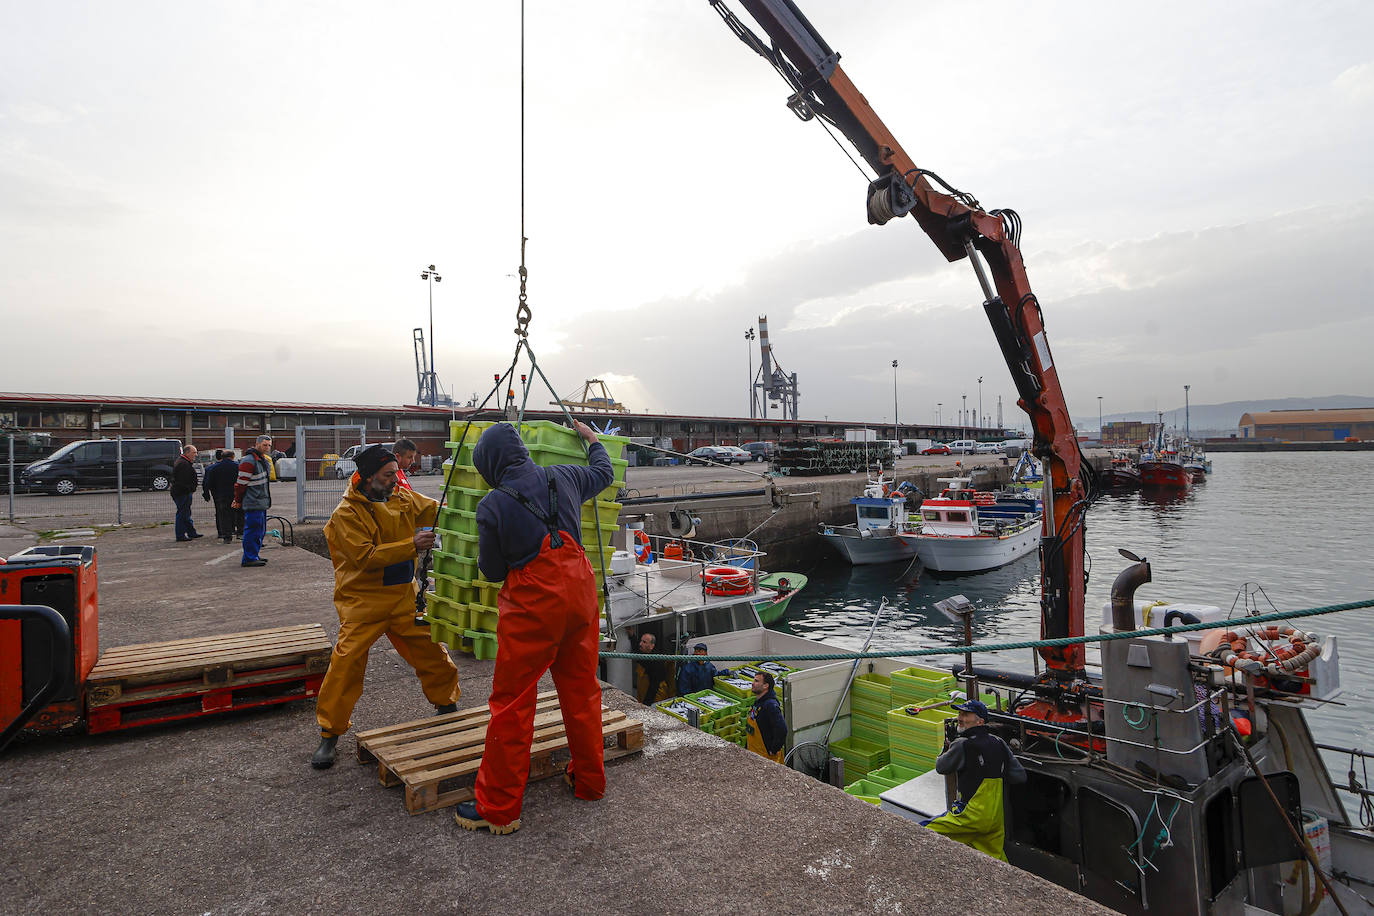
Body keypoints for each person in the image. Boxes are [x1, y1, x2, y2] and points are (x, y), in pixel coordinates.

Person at [454, 420, 613, 836]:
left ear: (490, 464)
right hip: (580, 594)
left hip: (533, 608)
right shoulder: (564, 474)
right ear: (521, 449)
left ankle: (499, 809)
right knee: (581, 692)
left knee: (513, 706)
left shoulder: (491, 505)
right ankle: (590, 782)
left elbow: (490, 571)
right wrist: (593, 441)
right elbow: (604, 473)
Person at [311, 444, 462, 769]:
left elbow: (438, 510)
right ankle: (329, 734)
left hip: (402, 599)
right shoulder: (345, 515)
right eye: (388, 474)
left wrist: (468, 505)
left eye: (396, 473)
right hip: (362, 603)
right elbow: (364, 557)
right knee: (345, 665)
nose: (396, 479)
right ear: (367, 477)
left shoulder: (402, 498)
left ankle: (447, 707)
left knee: (431, 651)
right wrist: (411, 545)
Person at [923, 699, 1026, 861]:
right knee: (996, 861)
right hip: (995, 820)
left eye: (966, 715)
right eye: (959, 713)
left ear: (980, 721)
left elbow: (941, 767)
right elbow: (1019, 776)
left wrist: (948, 745)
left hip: (969, 817)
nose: (960, 718)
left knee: (920, 831)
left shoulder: (962, 743)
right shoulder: (999, 742)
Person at [232, 435, 273, 568]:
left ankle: (254, 554)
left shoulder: (260, 460)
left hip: (260, 502)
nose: (267, 448)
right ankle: (249, 558)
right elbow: (240, 484)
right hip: (253, 501)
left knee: (259, 530)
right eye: (264, 445)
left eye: (269, 445)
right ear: (257, 444)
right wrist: (237, 500)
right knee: (253, 530)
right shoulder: (250, 461)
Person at [745, 670, 787, 763]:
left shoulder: (770, 705)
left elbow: (782, 729)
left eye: (756, 681)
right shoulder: (758, 702)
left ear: (765, 686)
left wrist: (773, 750)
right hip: (753, 754)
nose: (752, 683)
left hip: (766, 758)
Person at [202, 448, 242, 543]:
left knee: (224, 515)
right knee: (239, 513)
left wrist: (206, 493)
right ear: (233, 457)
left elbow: (208, 482)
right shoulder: (238, 466)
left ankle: (226, 536)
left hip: (221, 495)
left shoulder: (214, 468)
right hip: (236, 494)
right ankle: (240, 532)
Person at [350, 438, 419, 492]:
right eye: (409, 457)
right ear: (398, 457)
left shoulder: (400, 472)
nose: (413, 461)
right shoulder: (388, 476)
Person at [170, 445, 202, 542]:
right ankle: (180, 535)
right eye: (194, 452)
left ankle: (191, 532)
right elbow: (182, 481)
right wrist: (190, 488)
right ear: (187, 453)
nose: (195, 455)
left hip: (182, 492)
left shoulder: (183, 462)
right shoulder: (183, 464)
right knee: (182, 513)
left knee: (186, 513)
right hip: (182, 493)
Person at [635, 632, 669, 705]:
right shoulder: (642, 653)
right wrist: (632, 636)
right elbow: (635, 648)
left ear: (651, 646)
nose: (640, 644)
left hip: (656, 694)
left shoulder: (656, 661)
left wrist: (646, 704)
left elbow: (654, 685)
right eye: (641, 641)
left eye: (644, 642)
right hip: (643, 691)